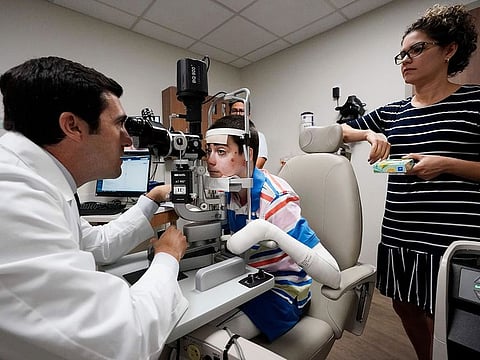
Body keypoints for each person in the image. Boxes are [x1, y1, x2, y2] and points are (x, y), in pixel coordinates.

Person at [0, 56, 189, 360]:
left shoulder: (41, 183)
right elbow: (123, 340)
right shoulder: (11, 196)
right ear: (72, 125)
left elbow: (94, 245)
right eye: (118, 125)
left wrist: (148, 201)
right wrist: (167, 259)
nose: (129, 139)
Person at [341, 5, 480, 360]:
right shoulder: (393, 112)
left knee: (459, 320)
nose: (405, 59)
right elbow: (339, 131)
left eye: (416, 49)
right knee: (406, 307)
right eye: (401, 54)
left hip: (454, 238)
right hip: (401, 233)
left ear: (449, 50)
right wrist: (369, 134)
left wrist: (446, 164)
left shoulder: (475, 102)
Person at [205, 115, 340, 342]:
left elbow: (334, 276)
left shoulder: (276, 198)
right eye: (208, 151)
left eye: (221, 151)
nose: (210, 160)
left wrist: (270, 231)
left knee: (211, 339)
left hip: (280, 293)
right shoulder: (228, 191)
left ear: (247, 156)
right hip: (245, 282)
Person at [229, 100, 269, 168]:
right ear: (229, 113)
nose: (238, 114)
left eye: (241, 111)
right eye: (234, 111)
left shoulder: (258, 136)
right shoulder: (225, 135)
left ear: (248, 115)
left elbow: (259, 163)